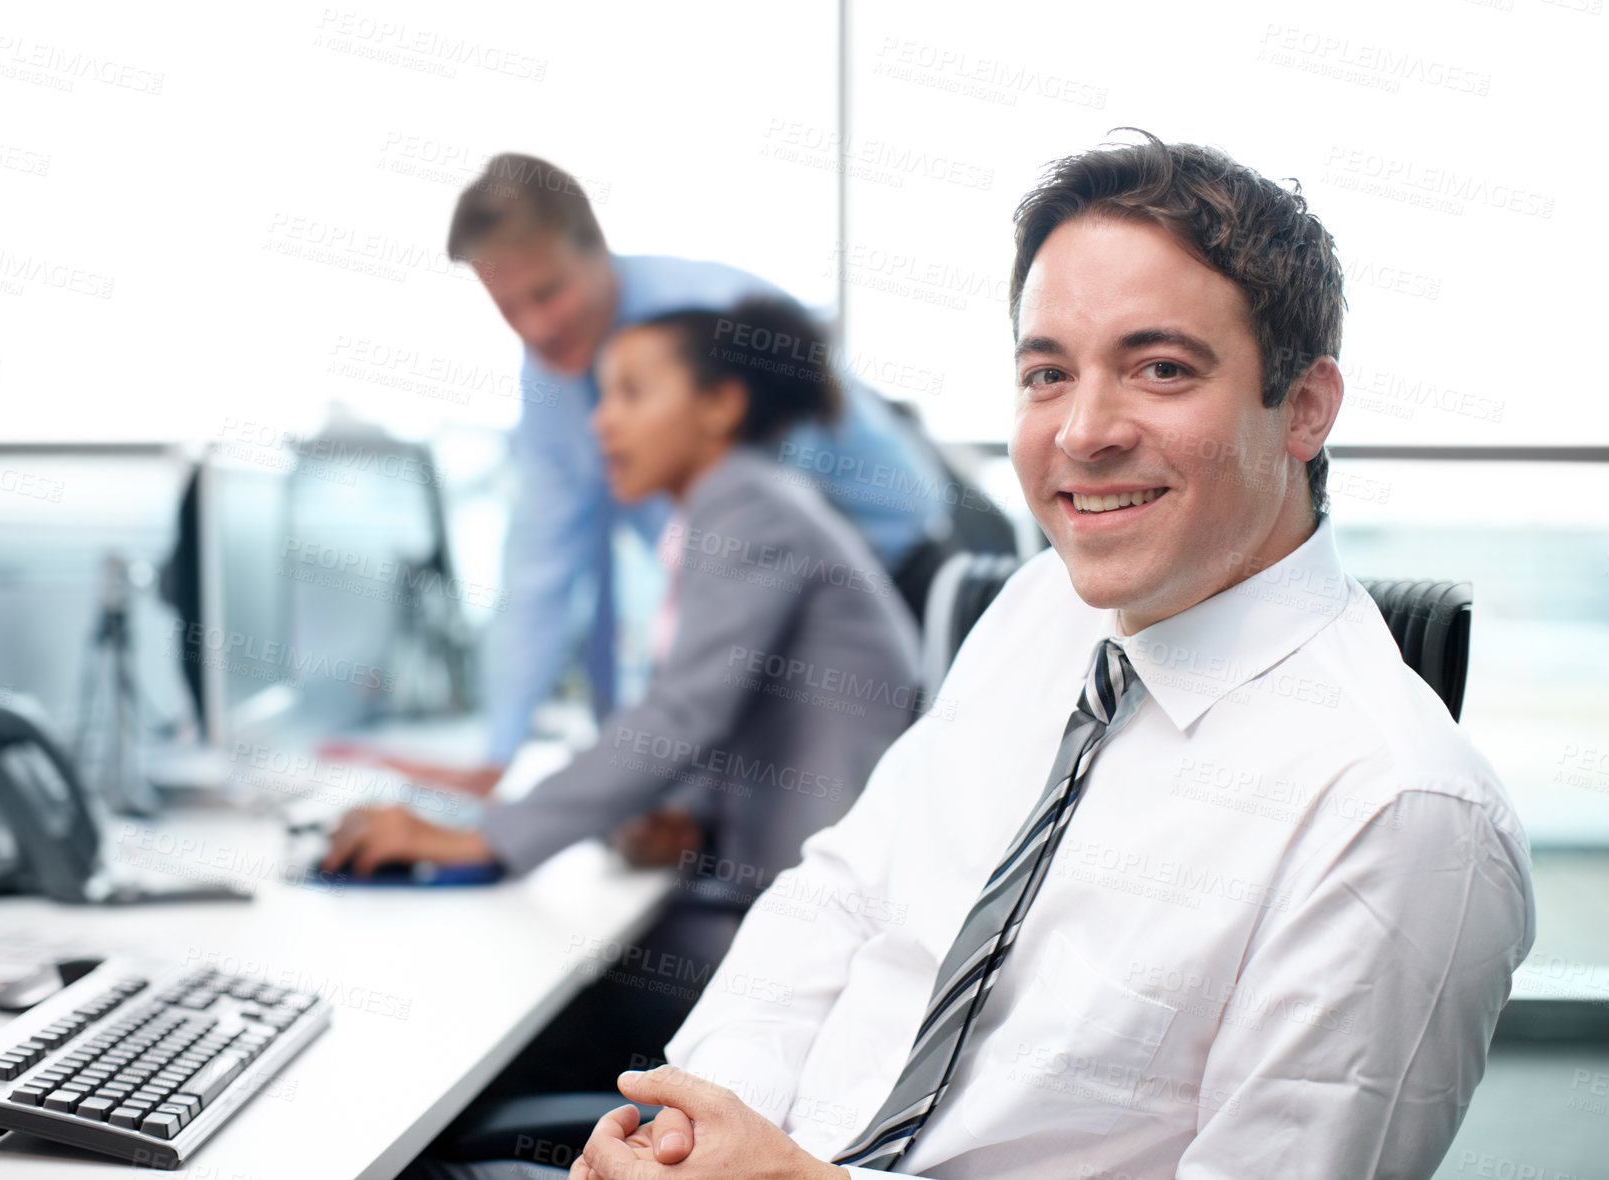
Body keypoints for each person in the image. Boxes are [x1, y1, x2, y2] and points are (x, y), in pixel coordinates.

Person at [439, 133, 1534, 1180]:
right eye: (1046, 374)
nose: (1081, 431)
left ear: (1302, 407)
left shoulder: (1400, 813)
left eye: (1158, 369)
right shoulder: (1037, 609)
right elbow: (841, 896)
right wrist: (688, 1121)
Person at [328, 296, 920, 1088]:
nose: (603, 423)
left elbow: (683, 712)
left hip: (810, 937)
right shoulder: (734, 508)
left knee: (485, 1013)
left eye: (633, 395)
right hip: (776, 897)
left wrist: (487, 837)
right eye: (603, 397)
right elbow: (730, 713)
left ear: (720, 405)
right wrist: (685, 813)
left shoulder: (749, 510)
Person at [352, 154, 961, 802]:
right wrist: (501, 751)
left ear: (595, 251)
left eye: (547, 292)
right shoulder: (551, 375)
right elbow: (545, 564)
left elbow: (758, 546)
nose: (535, 328)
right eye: (508, 308)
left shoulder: (706, 322)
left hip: (890, 575)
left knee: (840, 816)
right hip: (766, 604)